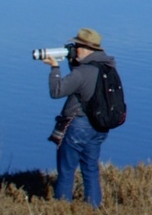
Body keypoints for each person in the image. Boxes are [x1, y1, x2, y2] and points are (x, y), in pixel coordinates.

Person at [40, 28, 116, 206]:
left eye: (77, 46)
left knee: (66, 171)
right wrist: (74, 62)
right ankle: (93, 211)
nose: (74, 49)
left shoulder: (82, 73)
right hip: (99, 127)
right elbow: (84, 82)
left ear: (87, 48)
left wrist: (54, 68)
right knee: (90, 170)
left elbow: (57, 91)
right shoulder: (107, 67)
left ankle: (63, 210)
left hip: (78, 126)